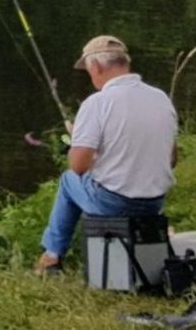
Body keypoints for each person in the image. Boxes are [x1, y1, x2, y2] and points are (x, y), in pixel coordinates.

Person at [34, 35, 178, 275]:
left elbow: (78, 166)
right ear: (125, 62)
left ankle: (51, 257)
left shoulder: (97, 103)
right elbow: (171, 159)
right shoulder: (160, 98)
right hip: (154, 203)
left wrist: (76, 142)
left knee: (69, 181)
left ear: (96, 66)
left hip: (116, 203)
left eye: (89, 70)